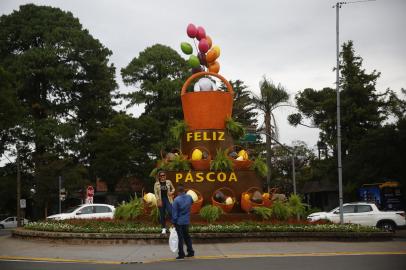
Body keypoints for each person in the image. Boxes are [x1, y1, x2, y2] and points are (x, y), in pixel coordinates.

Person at [172, 184, 195, 260]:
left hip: (179, 222)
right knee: (187, 237)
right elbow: (192, 202)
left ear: (178, 192)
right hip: (186, 221)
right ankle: (191, 252)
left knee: (180, 238)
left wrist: (173, 222)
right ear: (184, 191)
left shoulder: (176, 200)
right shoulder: (189, 197)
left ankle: (181, 254)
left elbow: (174, 213)